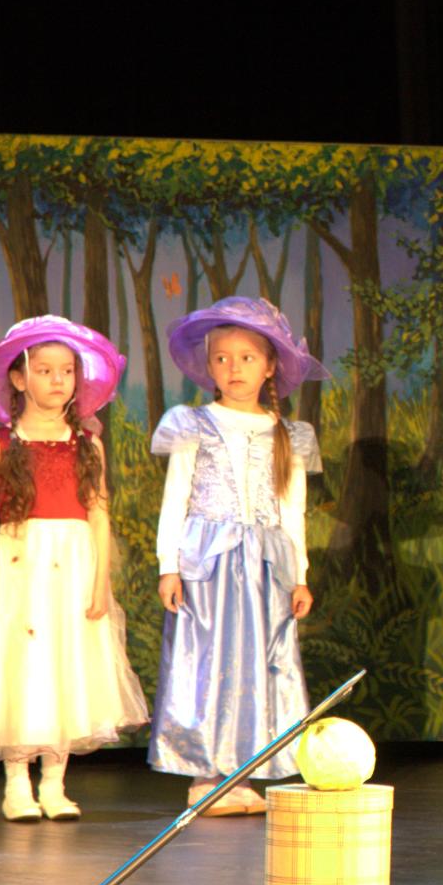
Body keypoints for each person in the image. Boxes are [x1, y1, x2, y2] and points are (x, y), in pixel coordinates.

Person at [0, 317, 150, 821]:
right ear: (19, 377)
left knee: (67, 665)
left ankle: (54, 783)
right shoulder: (1, 443)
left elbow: (99, 513)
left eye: (67, 371)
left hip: (73, 565)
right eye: (45, 370)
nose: (57, 380)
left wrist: (101, 582)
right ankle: (16, 784)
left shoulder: (87, 443)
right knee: (24, 666)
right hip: (21, 563)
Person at [148, 296, 328, 815]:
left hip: (266, 567)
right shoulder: (192, 424)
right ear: (209, 367)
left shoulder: (287, 435)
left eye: (247, 358)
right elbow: (176, 499)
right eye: (222, 358)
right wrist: (169, 567)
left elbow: (293, 511)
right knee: (207, 664)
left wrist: (299, 576)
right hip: (207, 562)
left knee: (257, 666)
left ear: (270, 366)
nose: (234, 368)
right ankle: (205, 777)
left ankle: (243, 776)